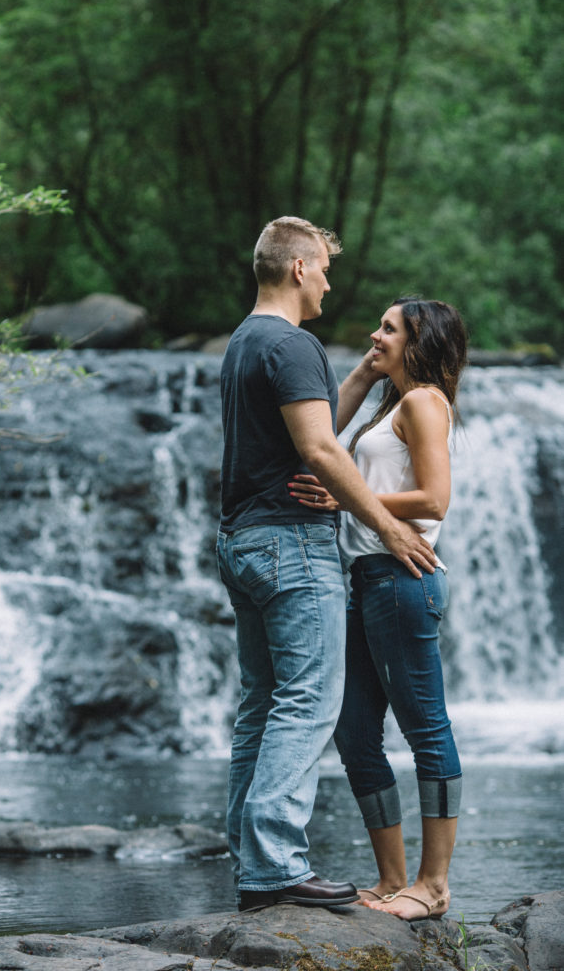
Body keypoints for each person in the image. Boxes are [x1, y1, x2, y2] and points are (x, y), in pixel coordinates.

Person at [216, 218, 437, 914]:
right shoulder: (293, 342)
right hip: (291, 546)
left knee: (259, 706)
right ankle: (277, 862)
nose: (330, 285)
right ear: (301, 269)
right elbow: (318, 450)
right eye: (325, 271)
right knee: (306, 702)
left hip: (243, 543)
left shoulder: (245, 342)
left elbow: (305, 431)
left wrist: (361, 374)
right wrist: (383, 525)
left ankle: (251, 860)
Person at [288, 297, 467, 922]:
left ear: (418, 340)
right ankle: (393, 879)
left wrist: (346, 498)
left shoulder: (422, 402)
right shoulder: (393, 402)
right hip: (367, 579)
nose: (375, 333)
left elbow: (435, 499)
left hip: (402, 579)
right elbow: (321, 439)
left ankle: (433, 885)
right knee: (356, 733)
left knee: (426, 731)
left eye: (388, 328)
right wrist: (363, 374)